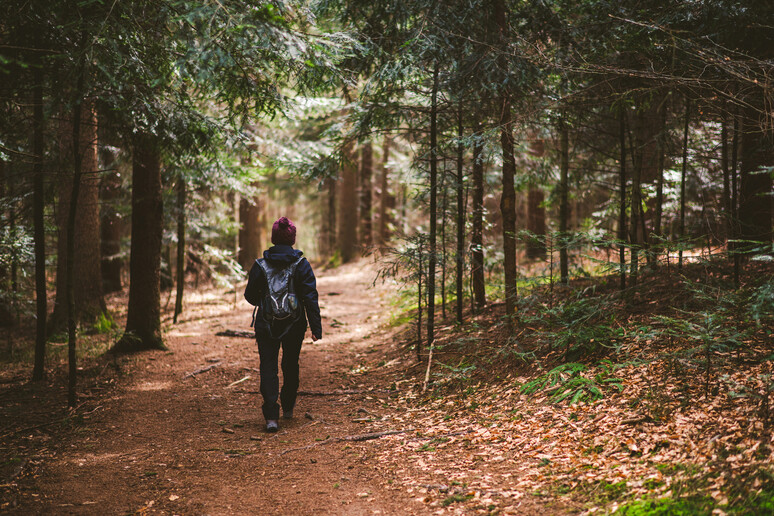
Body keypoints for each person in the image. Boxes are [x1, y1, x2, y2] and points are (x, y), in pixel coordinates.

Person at [244, 217, 322, 432]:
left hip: (266, 324)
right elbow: (310, 297)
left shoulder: (260, 265)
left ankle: (271, 416)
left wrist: (264, 300)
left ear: (273, 238)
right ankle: (288, 406)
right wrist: (316, 328)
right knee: (290, 364)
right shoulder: (302, 264)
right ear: (292, 239)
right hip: (294, 325)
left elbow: (249, 296)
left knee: (268, 367)